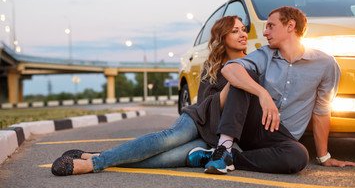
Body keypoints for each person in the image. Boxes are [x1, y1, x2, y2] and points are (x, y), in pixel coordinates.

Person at [51, 15, 249, 176]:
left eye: (243, 29)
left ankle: (94, 155)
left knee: (166, 159)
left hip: (214, 137)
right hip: (198, 119)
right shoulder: (212, 67)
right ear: (222, 38)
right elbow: (210, 104)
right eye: (235, 30)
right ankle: (93, 163)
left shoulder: (251, 65)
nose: (243, 34)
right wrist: (235, 75)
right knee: (164, 140)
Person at [191, 6, 355, 175]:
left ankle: (227, 157)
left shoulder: (326, 64)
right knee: (243, 74)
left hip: (282, 138)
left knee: (299, 156)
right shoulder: (265, 54)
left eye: (271, 26)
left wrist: (323, 157)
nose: (265, 33)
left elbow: (321, 111)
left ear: (290, 26)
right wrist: (263, 94)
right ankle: (223, 148)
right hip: (254, 127)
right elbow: (229, 70)